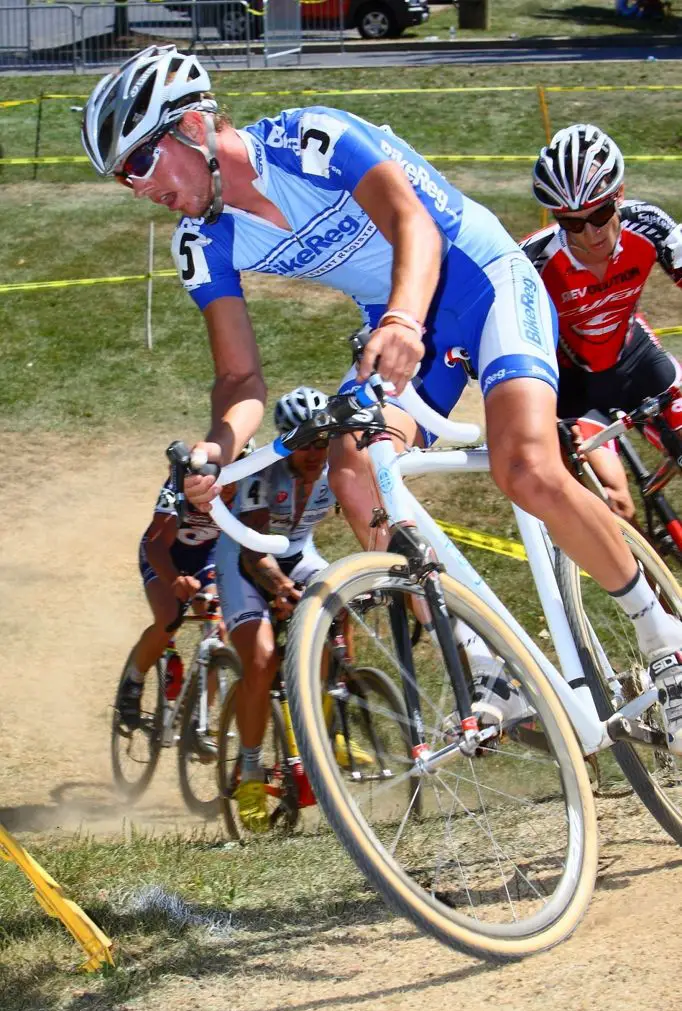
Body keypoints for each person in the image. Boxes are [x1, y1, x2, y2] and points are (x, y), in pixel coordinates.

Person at [82, 48, 682, 753]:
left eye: (138, 164)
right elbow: (240, 381)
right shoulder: (203, 241)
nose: (137, 188)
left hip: (478, 279)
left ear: (191, 127)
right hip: (402, 316)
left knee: (525, 468)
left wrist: (400, 320)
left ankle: (663, 635)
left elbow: (415, 225)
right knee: (352, 470)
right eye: (122, 178)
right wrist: (218, 448)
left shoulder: (312, 139)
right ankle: (487, 664)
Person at [521, 123, 682, 525]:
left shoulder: (649, 225)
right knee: (614, 503)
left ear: (619, 195)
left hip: (634, 357)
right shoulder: (533, 261)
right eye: (573, 223)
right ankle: (649, 587)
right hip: (574, 388)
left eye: (601, 213)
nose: (591, 233)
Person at [216, 387, 344, 832]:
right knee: (263, 661)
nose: (315, 452)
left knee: (342, 601)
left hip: (298, 554)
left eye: (322, 441)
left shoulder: (333, 470)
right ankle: (249, 771)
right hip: (245, 562)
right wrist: (282, 589)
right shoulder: (263, 474)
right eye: (305, 442)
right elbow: (254, 554)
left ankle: (329, 726)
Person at [118, 447, 250, 728]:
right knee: (169, 617)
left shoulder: (250, 489)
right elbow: (156, 544)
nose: (227, 489)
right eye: (221, 480)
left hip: (207, 556)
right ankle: (134, 682)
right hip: (165, 554)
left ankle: (198, 719)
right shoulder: (182, 484)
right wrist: (174, 580)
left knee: (219, 626)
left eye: (235, 480)